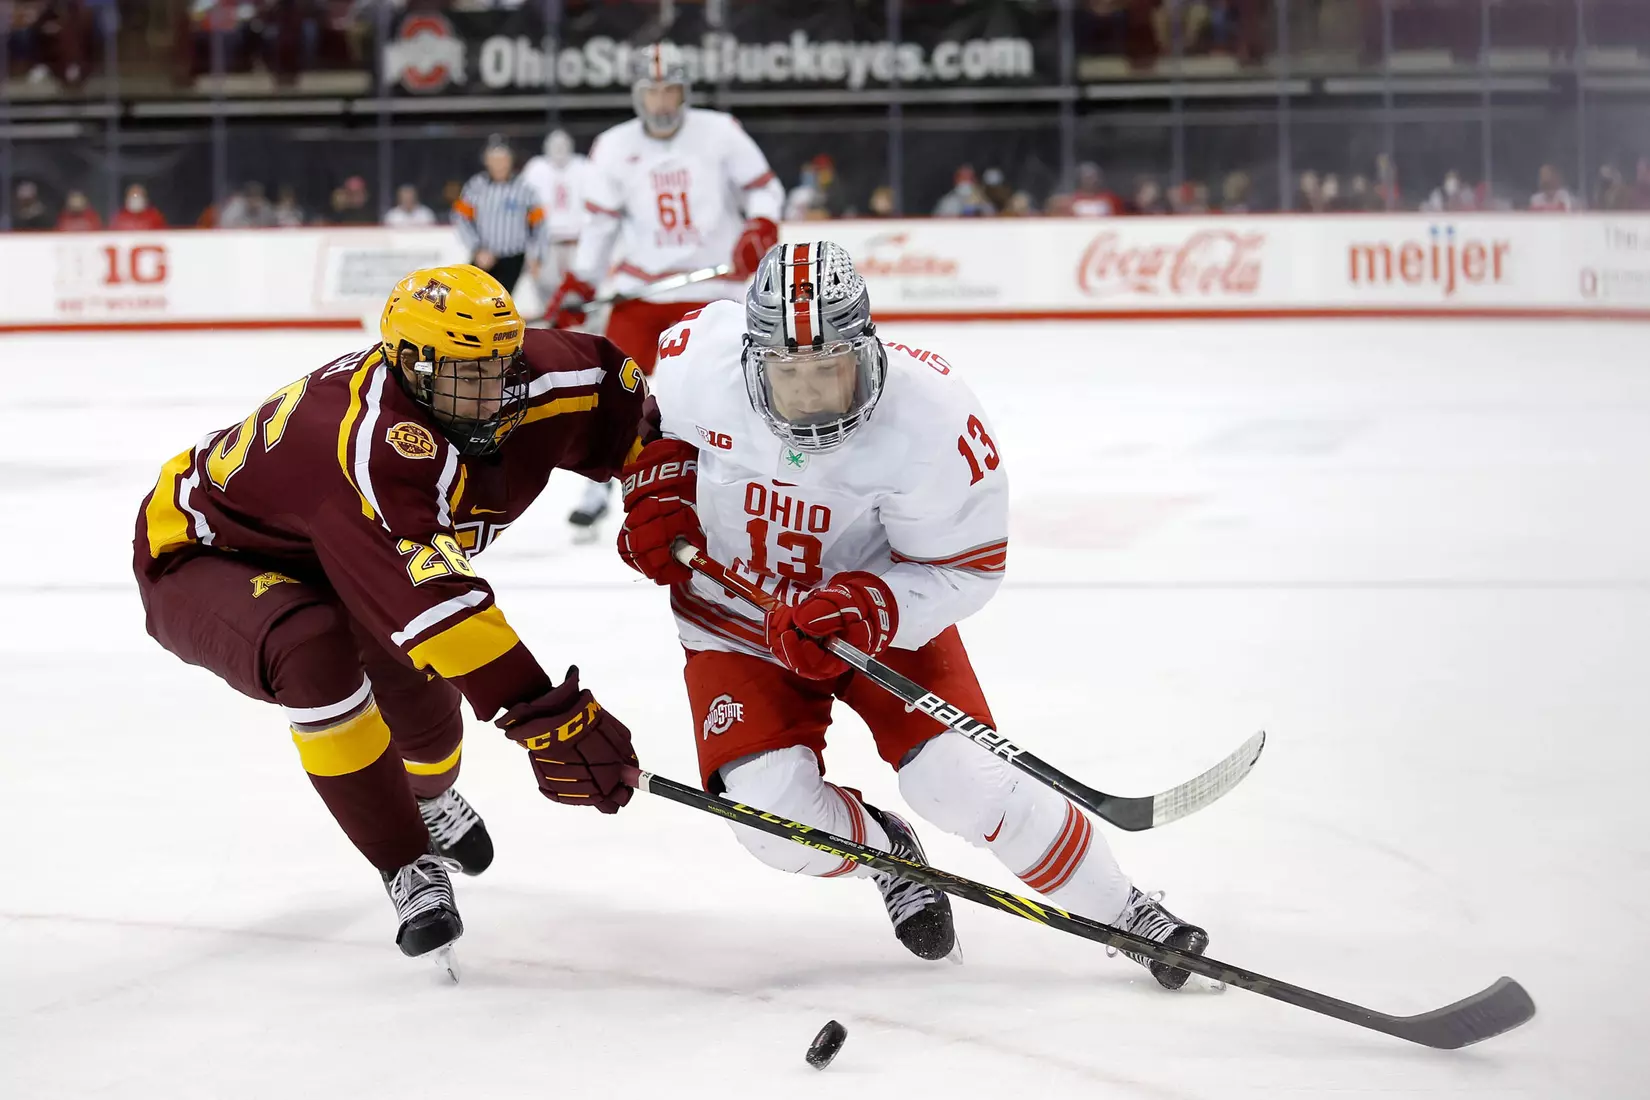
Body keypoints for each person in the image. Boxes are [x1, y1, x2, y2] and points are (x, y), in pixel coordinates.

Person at [616, 241, 1210, 986]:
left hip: (875, 624)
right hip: (736, 618)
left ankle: (1127, 914)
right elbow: (650, 427)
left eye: (829, 371)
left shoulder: (933, 419)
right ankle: (889, 854)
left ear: (865, 349)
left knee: (963, 784)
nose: (809, 398)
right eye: (787, 374)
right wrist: (658, 482)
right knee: (768, 817)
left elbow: (968, 569)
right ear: (748, 359)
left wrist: (871, 605)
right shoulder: (698, 358)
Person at [133, 265, 645, 963]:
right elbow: (440, 609)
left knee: (432, 737)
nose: (496, 390)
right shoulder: (371, 445)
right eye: (471, 373)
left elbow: (633, 410)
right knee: (312, 647)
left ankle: (426, 801)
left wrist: (671, 488)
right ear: (411, 365)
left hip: (347, 553)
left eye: (504, 364)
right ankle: (407, 864)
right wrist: (547, 715)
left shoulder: (538, 376)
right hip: (208, 553)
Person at [546, 42, 782, 538]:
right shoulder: (612, 145)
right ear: (637, 95)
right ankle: (598, 485)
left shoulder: (720, 131)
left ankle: (746, 485)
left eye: (670, 90)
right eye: (652, 93)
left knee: (732, 391)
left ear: (685, 91)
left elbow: (764, 187)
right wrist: (581, 281)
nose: (662, 103)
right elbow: (600, 225)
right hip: (641, 289)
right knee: (610, 389)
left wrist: (759, 226)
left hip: (713, 286)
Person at [452, 138, 545, 298]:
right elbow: (461, 218)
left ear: (510, 160)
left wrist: (536, 255)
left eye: (503, 159)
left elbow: (538, 224)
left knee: (501, 302)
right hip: (484, 256)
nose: (499, 164)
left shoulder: (524, 188)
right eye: (494, 159)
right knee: (470, 297)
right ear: (487, 161)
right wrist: (477, 248)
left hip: (514, 257)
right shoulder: (476, 186)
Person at [520, 129, 590, 294]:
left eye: (563, 145)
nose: (559, 150)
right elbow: (525, 207)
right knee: (547, 288)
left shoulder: (583, 166)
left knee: (581, 287)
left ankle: (580, 319)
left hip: (577, 241)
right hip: (547, 242)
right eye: (555, 146)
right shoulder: (536, 168)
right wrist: (531, 247)